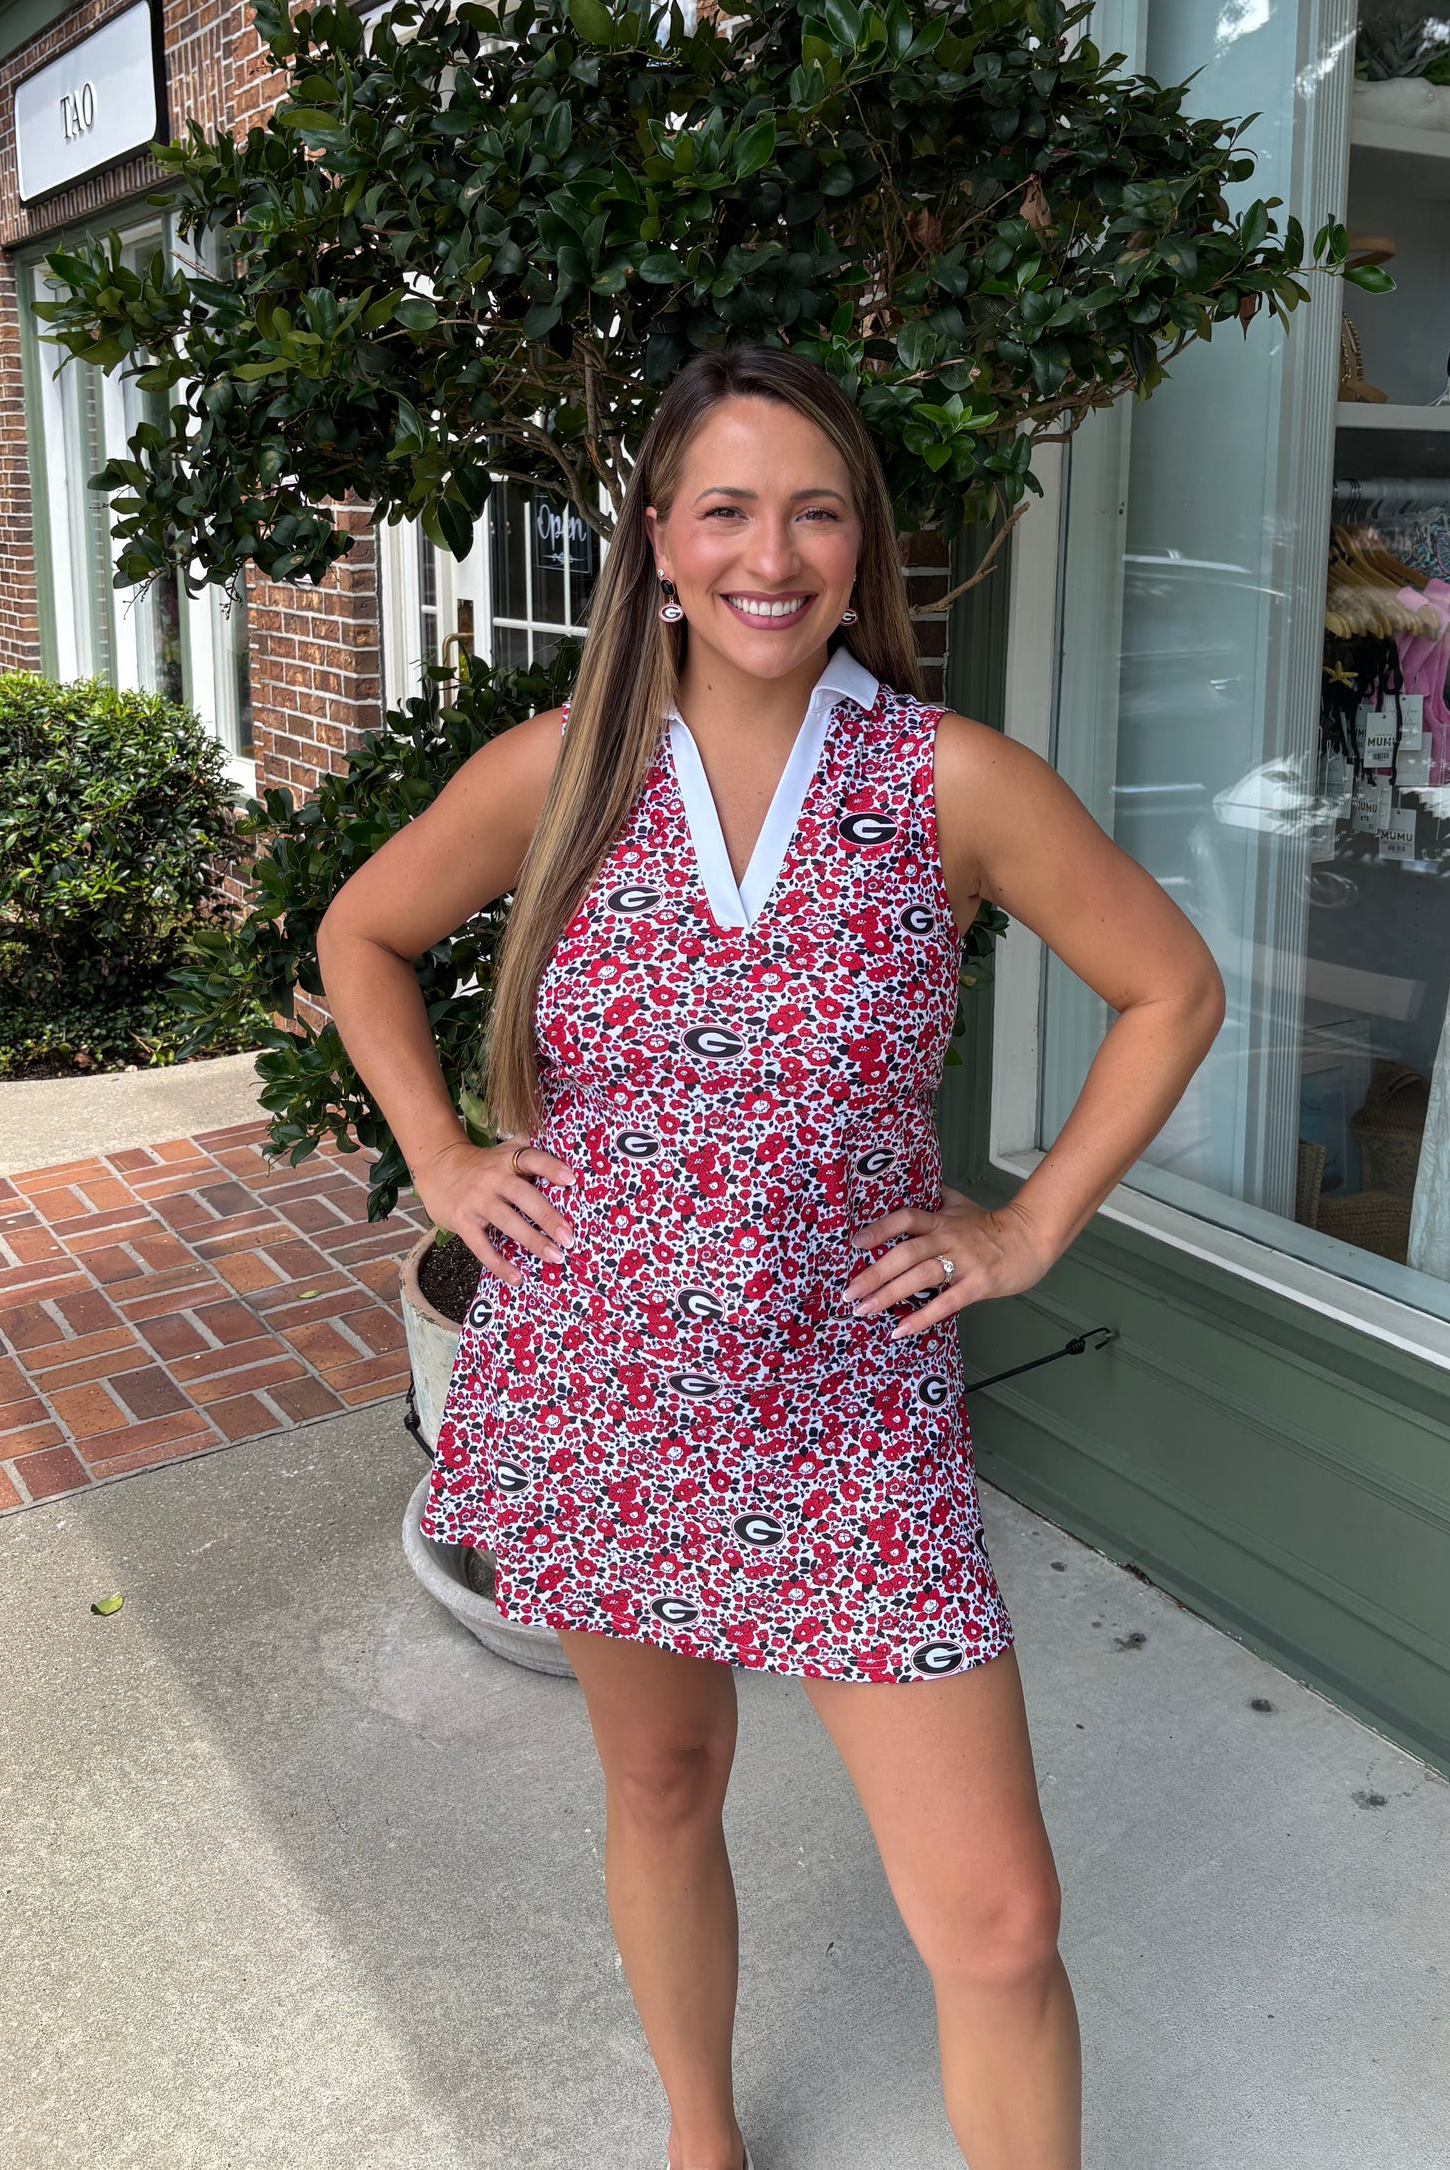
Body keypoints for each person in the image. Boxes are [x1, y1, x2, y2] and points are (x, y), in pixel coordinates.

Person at [317, 346, 1224, 2170]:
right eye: (725, 509)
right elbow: (363, 934)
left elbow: (1169, 987)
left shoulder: (947, 780)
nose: (770, 553)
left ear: (858, 545)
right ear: (657, 540)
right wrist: (442, 1157)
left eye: (815, 512)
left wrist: (1027, 1223)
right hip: (603, 1383)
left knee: (999, 1922)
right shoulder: (560, 772)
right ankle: (700, 2142)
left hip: (847, 1406)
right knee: (662, 1782)